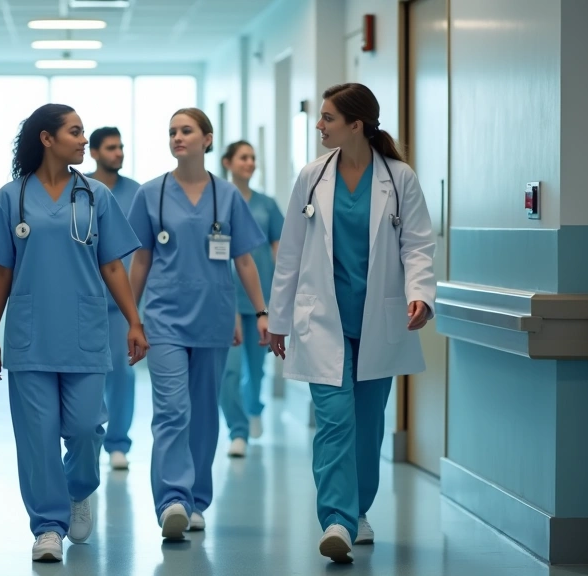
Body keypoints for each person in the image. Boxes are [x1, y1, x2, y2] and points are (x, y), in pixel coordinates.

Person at [267, 83, 435, 564]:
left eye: (327, 118)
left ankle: (358, 510)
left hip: (379, 318)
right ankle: (337, 520)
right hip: (323, 321)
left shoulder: (398, 178)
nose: (319, 125)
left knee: (368, 424)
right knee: (335, 422)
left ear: (355, 125)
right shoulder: (312, 177)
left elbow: (418, 245)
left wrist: (419, 294)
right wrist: (279, 319)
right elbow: (292, 255)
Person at [0, 104, 147, 563]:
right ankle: (48, 526)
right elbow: (1, 271)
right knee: (38, 436)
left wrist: (134, 320)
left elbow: (112, 264)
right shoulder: (13, 197)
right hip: (30, 335)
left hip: (84, 331)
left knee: (87, 429)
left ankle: (79, 490)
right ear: (47, 139)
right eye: (75, 132)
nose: (82, 140)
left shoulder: (96, 196)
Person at [127, 108, 270, 540]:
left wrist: (262, 312)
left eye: (186, 130)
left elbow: (243, 259)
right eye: (171, 131)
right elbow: (141, 260)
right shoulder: (150, 194)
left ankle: (196, 500)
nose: (177, 137)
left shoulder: (227, 197)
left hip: (213, 317)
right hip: (164, 317)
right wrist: (132, 319)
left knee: (205, 414)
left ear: (207, 139)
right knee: (173, 409)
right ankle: (172, 498)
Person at [217, 141, 284, 457]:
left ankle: (254, 406)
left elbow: (277, 249)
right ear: (228, 162)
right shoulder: (216, 201)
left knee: (255, 370)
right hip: (226, 298)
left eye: (254, 157)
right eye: (244, 157)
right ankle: (238, 431)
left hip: (261, 299)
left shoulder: (267, 205)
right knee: (229, 370)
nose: (250, 162)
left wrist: (280, 297)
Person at [87, 126, 142, 471]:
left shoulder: (136, 193)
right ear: (94, 152)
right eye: (110, 148)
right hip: (86, 299)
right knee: (89, 376)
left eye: (121, 147)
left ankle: (117, 443)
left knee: (123, 373)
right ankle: (89, 440)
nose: (118, 153)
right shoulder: (81, 190)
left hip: (122, 303)